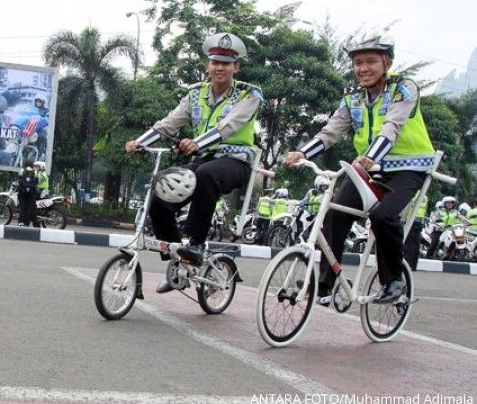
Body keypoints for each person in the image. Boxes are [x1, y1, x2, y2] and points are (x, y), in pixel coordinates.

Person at [284, 31, 435, 304]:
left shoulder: (404, 89)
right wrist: (302, 153)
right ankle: (327, 283)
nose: (362, 69)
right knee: (333, 215)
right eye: (357, 63)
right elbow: (331, 132)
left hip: (407, 168)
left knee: (383, 216)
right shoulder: (352, 98)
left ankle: (394, 281)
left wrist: (371, 156)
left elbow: (393, 126)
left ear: (387, 63)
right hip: (368, 169)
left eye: (370, 62)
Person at [125, 32, 263, 294]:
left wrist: (199, 142)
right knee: (162, 188)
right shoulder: (195, 94)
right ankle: (180, 262)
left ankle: (196, 244)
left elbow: (229, 125)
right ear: (207, 66)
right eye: (215, 62)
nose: (220, 67)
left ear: (237, 67)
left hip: (235, 162)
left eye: (226, 63)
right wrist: (139, 142)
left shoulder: (249, 95)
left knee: (206, 176)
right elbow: (170, 122)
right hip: (203, 161)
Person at [402, 191, 428, 271]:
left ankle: (407, 264)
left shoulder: (413, 194)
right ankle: (414, 266)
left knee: (409, 243)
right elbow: (425, 210)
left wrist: (404, 220)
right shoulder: (424, 196)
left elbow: (407, 208)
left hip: (411, 221)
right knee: (416, 244)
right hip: (419, 222)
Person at [17, 159, 39, 227]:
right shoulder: (35, 172)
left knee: (22, 207)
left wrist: (25, 187)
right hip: (31, 192)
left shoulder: (22, 170)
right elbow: (36, 182)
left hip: (22, 192)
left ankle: (21, 222)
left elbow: (19, 180)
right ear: (32, 164)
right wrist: (29, 187)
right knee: (29, 208)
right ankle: (27, 223)